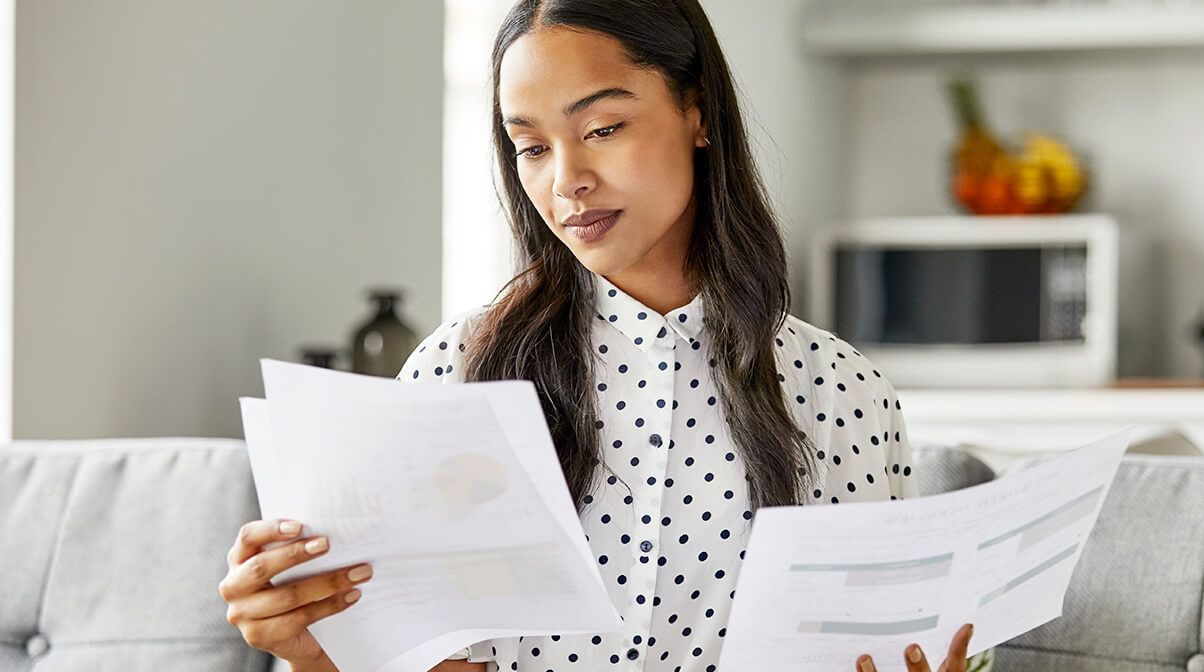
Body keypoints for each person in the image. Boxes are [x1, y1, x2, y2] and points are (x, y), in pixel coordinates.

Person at [218, 1, 996, 670]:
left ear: (697, 113)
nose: (565, 181)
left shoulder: (840, 392)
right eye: (530, 146)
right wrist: (313, 651)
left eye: (603, 127)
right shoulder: (457, 372)